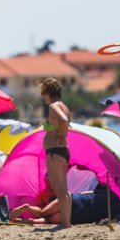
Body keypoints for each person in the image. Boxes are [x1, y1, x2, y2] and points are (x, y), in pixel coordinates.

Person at [39, 78, 72, 228]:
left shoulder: (53, 106)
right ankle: (67, 222)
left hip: (55, 150)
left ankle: (64, 223)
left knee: (59, 189)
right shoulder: (64, 106)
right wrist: (61, 133)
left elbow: (63, 120)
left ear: (47, 92)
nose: (43, 97)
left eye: (43, 93)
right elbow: (65, 120)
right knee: (64, 190)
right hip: (63, 151)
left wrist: (59, 135)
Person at [11, 188, 120, 225]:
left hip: (74, 199)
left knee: (44, 212)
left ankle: (27, 208)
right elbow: (109, 221)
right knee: (48, 220)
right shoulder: (118, 213)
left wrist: (76, 195)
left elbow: (88, 193)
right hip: (78, 215)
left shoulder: (112, 194)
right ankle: (23, 221)